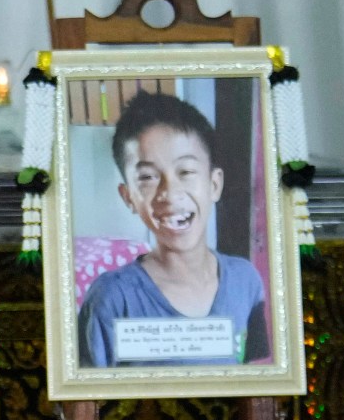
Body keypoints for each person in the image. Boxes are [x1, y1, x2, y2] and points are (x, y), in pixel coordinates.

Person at [76, 90, 269, 367]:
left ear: (214, 184)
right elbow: (88, 403)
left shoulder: (246, 282)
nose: (169, 192)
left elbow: (256, 385)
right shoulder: (112, 297)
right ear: (128, 196)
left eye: (186, 172)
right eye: (148, 177)